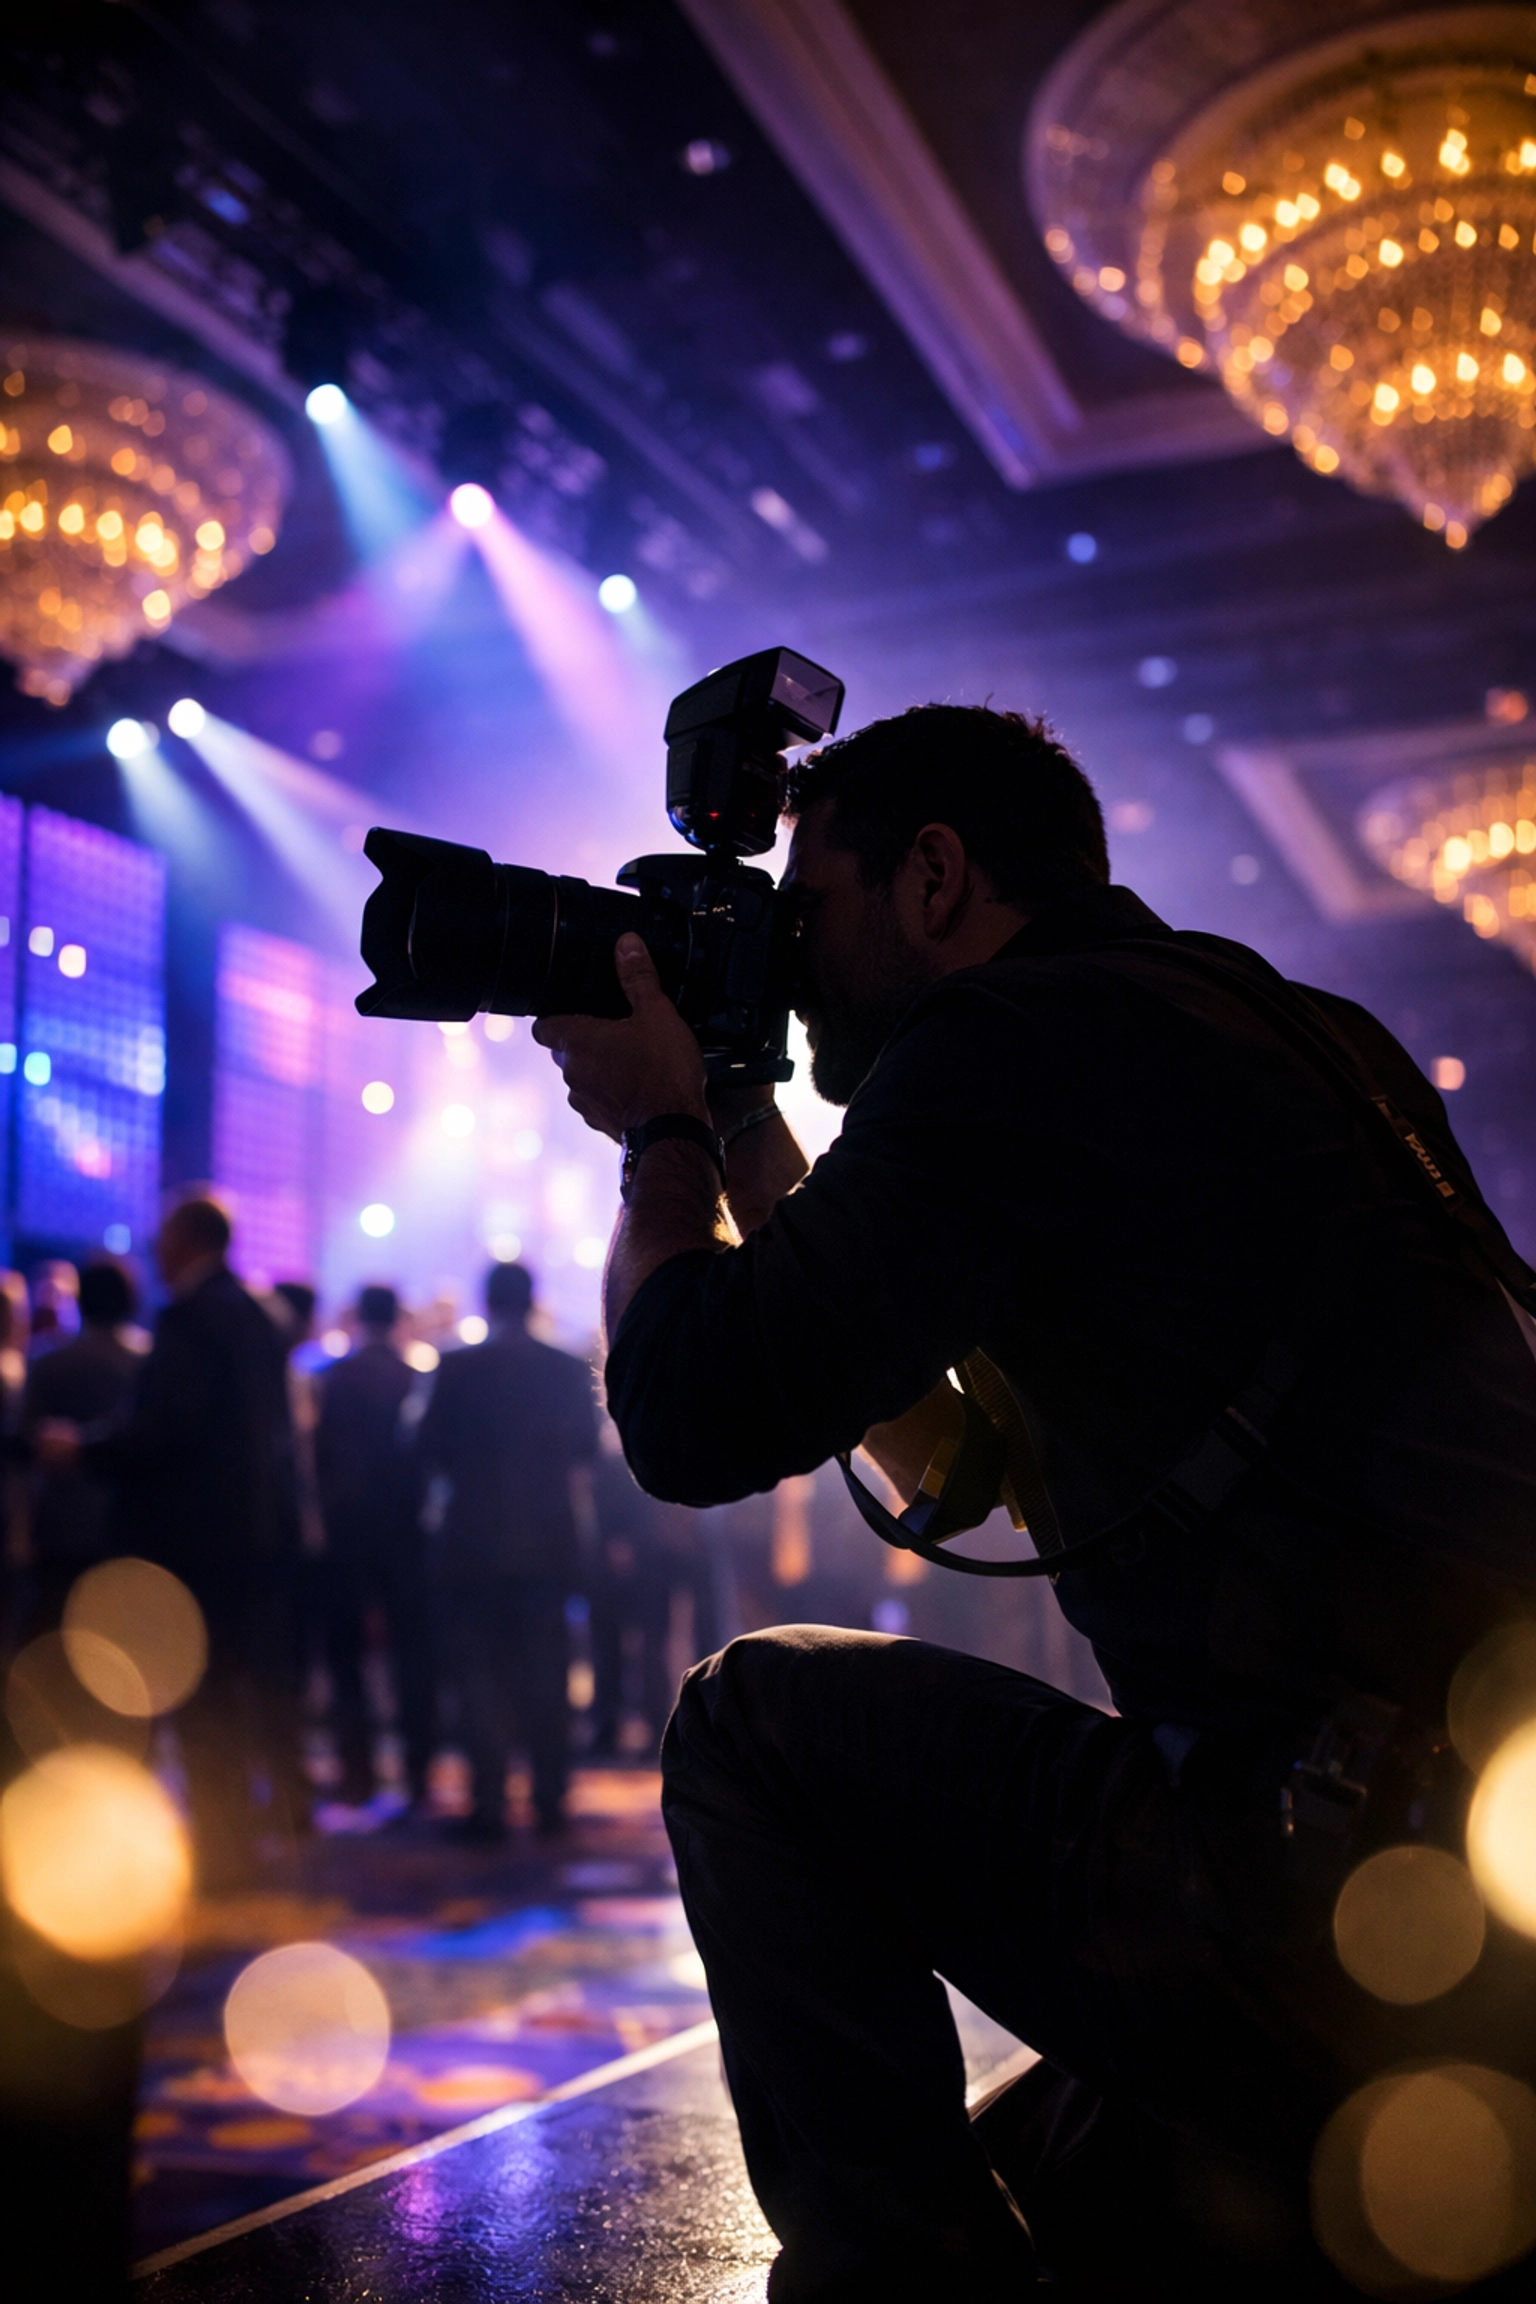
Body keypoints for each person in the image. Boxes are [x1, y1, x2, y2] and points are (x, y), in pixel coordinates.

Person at [533, 703, 1536, 2300]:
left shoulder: (1004, 1046)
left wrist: (656, 1133)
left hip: (1311, 1875)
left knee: (750, 1724)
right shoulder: (1289, 1025)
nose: (792, 959)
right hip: (1465, 1879)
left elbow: (688, 1413)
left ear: (934, 874)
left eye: (814, 907)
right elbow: (969, 1461)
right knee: (1059, 2186)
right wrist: (735, 1113)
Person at [50, 1197, 310, 1889]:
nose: (155, 1249)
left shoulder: (190, 1317)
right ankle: (252, 1837)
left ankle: (220, 1852)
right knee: (247, 1694)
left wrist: (82, 1450)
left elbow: (167, 1428)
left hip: (194, 1540)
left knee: (202, 1704)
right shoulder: (261, 1313)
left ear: (191, 1239)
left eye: (164, 1235)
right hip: (256, 1537)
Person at [416, 1261, 597, 1838]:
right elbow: (589, 1450)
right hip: (548, 1542)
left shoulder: (457, 1366)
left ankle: (489, 1801)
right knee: (548, 1670)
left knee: (481, 1673)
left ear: (487, 1302)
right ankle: (550, 1797)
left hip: (473, 1543)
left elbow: (427, 1446)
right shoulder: (566, 1368)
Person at [313, 1284, 433, 1811]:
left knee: (348, 1661)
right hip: (407, 1534)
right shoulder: (416, 1375)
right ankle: (417, 1775)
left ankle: (357, 1772)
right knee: (414, 1656)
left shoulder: (335, 1376)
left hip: (347, 1535)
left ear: (358, 1318)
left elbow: (322, 1457)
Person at [15, 1260, 142, 1643]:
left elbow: (24, 1442)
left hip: (59, 1526)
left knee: (52, 1639)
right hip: (126, 1525)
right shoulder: (146, 1363)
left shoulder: (48, 1363)